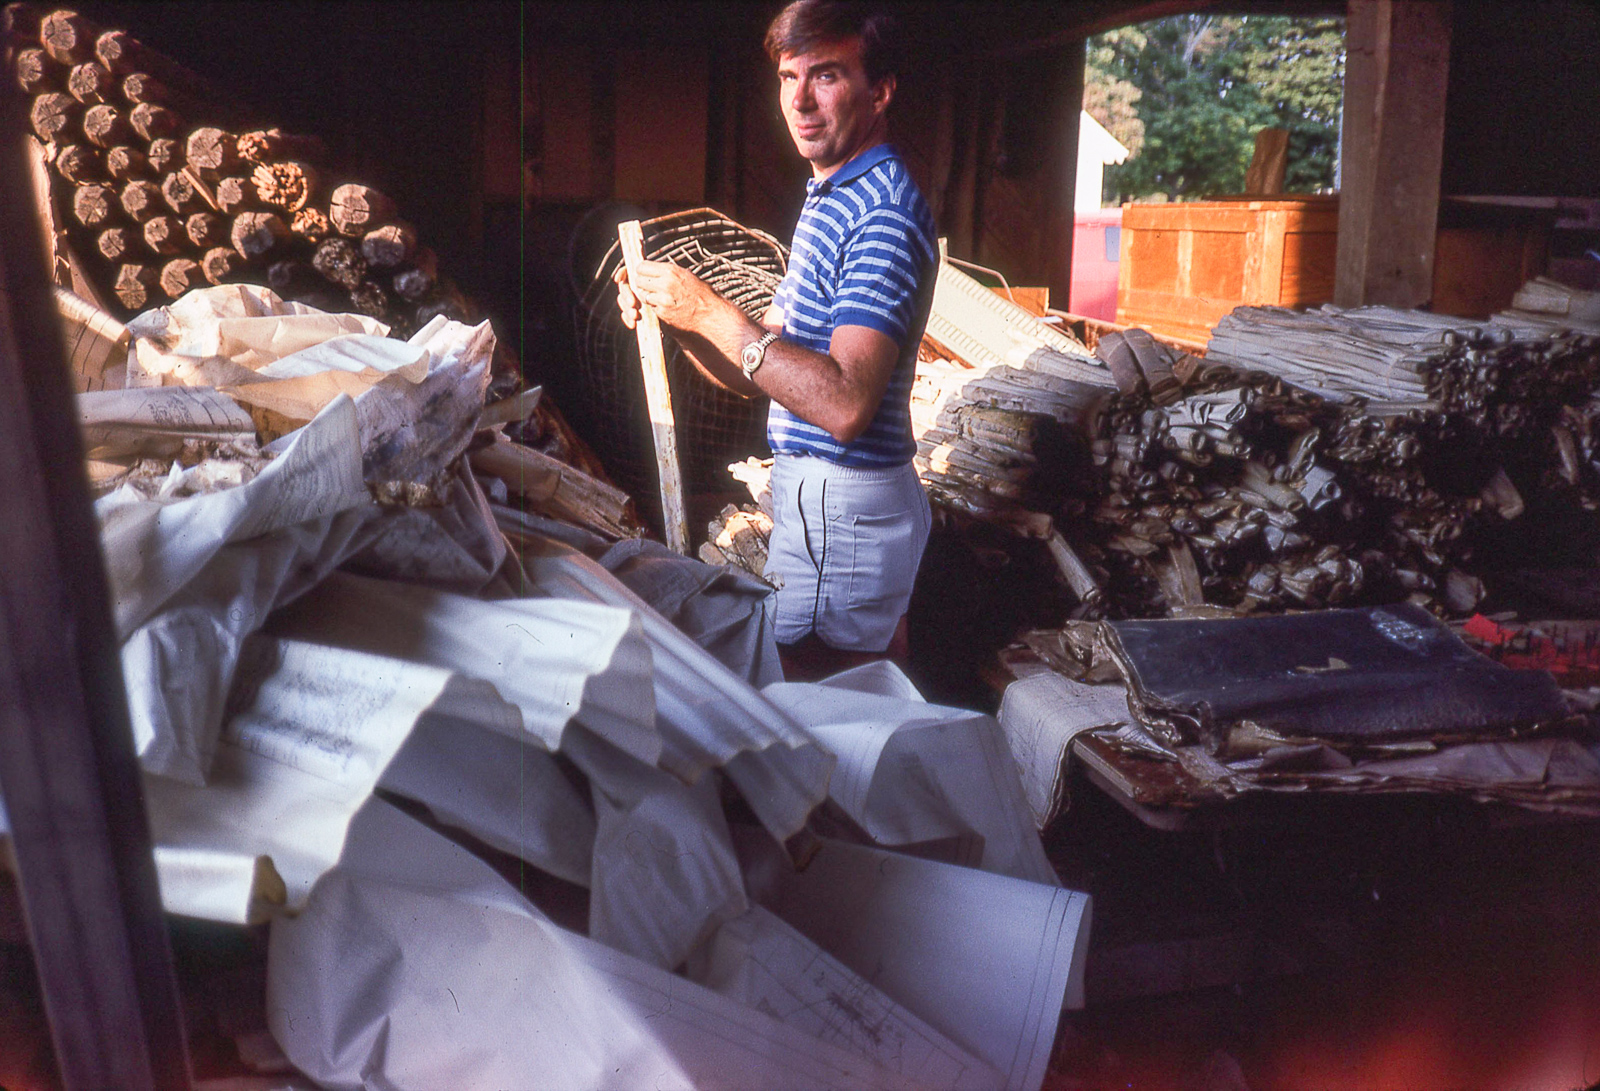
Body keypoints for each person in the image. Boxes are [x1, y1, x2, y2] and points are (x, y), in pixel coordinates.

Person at [617, 0, 938, 681]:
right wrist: (679, 318)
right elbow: (764, 366)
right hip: (826, 510)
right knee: (846, 700)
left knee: (825, 703)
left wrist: (710, 312)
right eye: (788, 78)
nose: (800, 101)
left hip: (842, 510)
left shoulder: (880, 211)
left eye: (825, 76)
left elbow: (844, 404)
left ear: (879, 90)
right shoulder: (833, 195)